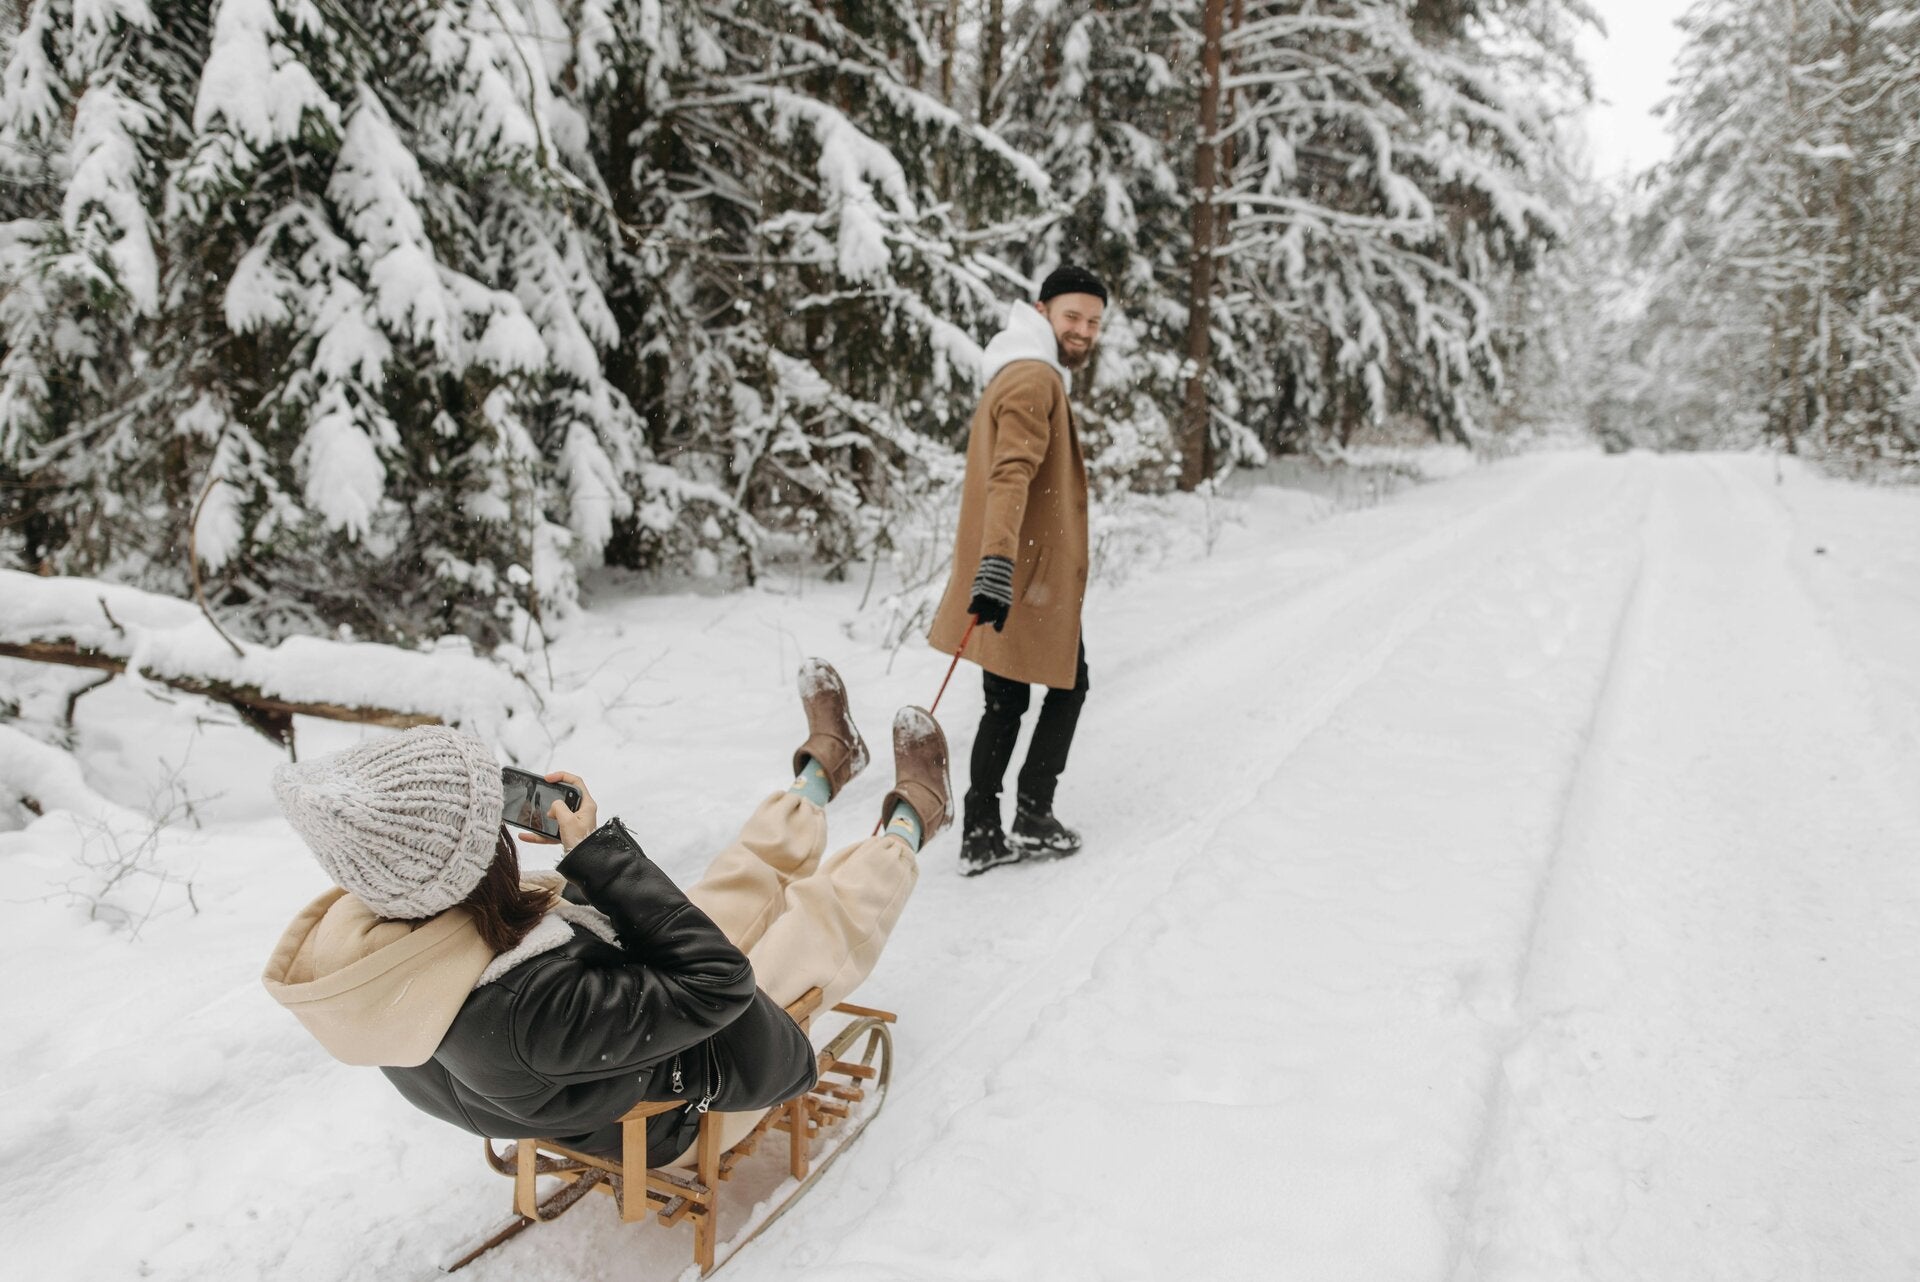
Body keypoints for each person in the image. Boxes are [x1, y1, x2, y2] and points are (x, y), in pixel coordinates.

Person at [262, 660, 950, 1169]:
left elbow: (571, 951)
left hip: (609, 1049)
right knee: (814, 926)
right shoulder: (523, 1012)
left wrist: (590, 862)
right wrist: (592, 854)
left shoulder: (397, 934)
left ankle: (819, 779)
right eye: (486, 817)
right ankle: (909, 827)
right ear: (469, 862)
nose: (503, 818)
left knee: (732, 885)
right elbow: (720, 984)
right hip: (682, 1108)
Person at [928, 265, 1106, 876]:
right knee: (1067, 686)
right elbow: (1010, 475)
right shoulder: (1034, 378)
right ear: (1043, 311)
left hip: (1016, 574)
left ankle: (982, 830)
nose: (1083, 331)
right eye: (1072, 317)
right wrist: (998, 566)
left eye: (1093, 321)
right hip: (1024, 579)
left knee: (1004, 703)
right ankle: (1031, 814)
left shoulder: (1022, 367)